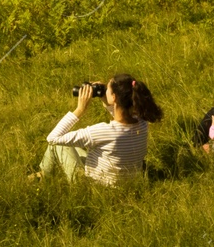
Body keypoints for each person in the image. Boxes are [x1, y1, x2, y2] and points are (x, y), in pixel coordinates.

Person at [34, 73, 162, 185]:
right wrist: (106, 99)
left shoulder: (101, 131)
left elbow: (53, 138)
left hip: (92, 185)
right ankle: (42, 174)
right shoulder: (143, 123)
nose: (105, 89)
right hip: (127, 183)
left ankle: (43, 175)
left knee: (58, 145)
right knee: (74, 148)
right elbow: (123, 118)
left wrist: (80, 109)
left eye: (107, 88)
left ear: (114, 97)